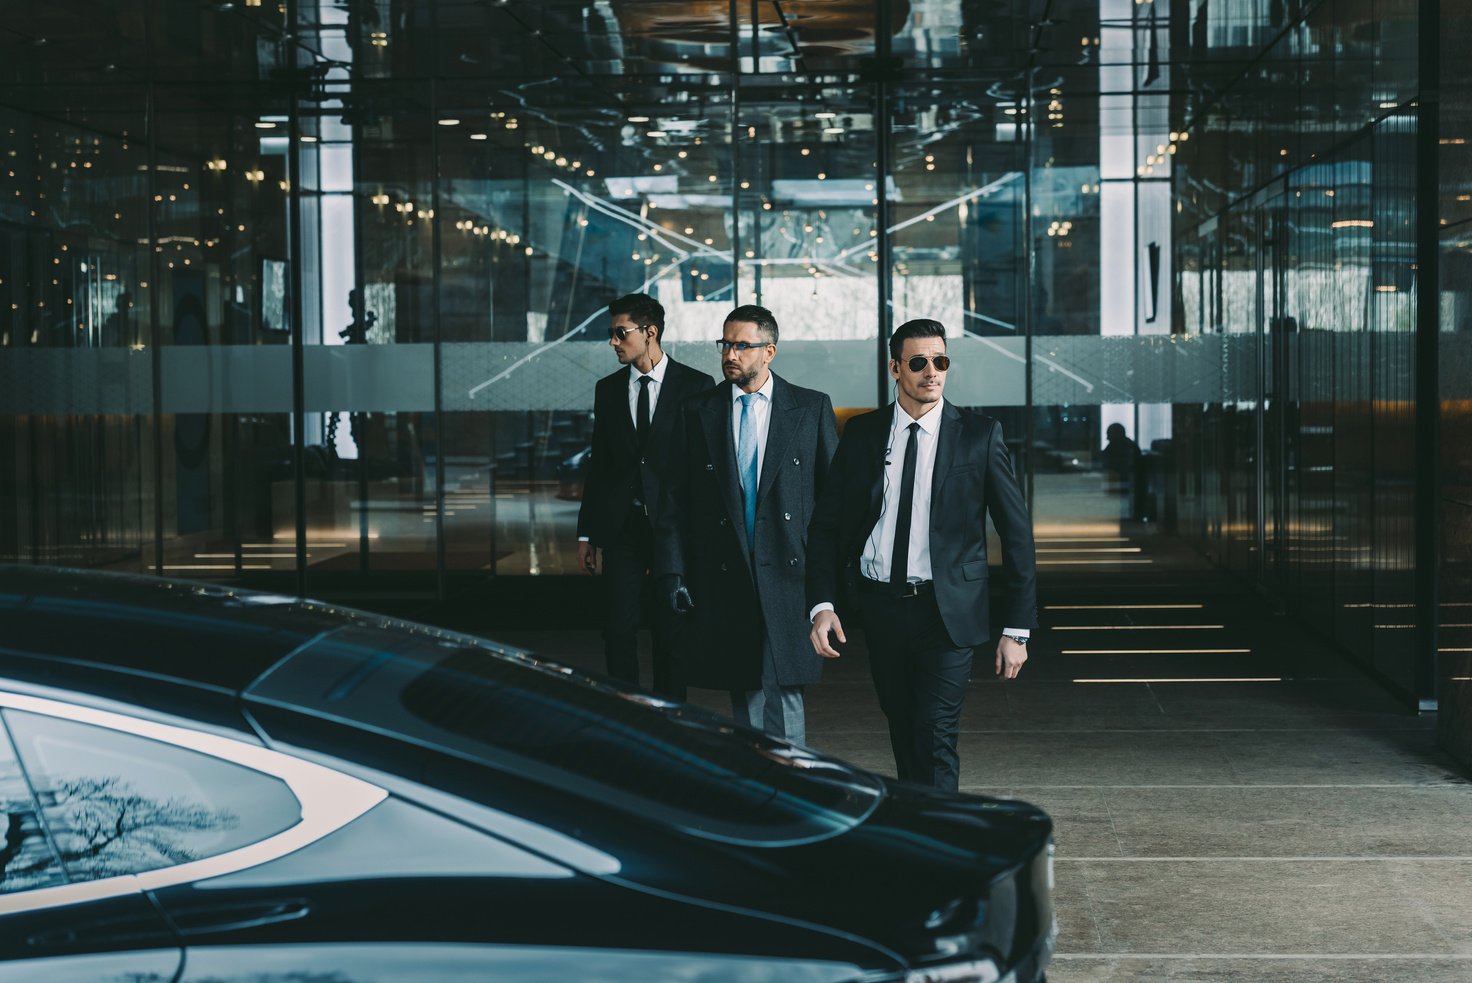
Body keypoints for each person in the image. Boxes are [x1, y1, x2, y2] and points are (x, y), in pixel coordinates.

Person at [806, 318, 1038, 790]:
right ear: (895, 368)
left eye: (940, 361)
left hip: (946, 610)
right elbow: (826, 526)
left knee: (935, 734)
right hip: (881, 607)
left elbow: (1016, 535)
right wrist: (823, 604)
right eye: (918, 362)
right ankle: (917, 820)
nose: (932, 372)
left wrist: (1017, 628)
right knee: (904, 727)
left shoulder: (979, 435)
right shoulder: (863, 434)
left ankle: (939, 831)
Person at [655, 305, 837, 745]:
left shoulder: (810, 407)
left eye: (741, 345)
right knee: (746, 687)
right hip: (725, 569)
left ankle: (792, 776)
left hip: (790, 572)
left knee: (786, 689)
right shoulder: (698, 410)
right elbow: (674, 500)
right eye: (725, 344)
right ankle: (759, 776)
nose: (729, 354)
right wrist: (673, 571)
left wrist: (829, 584)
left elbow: (834, 502)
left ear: (769, 351)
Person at [577, 293, 713, 699]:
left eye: (621, 333)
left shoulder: (696, 387)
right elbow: (600, 465)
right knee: (618, 627)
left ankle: (671, 713)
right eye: (612, 333)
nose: (613, 342)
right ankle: (627, 709)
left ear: (650, 332)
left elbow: (703, 467)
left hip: (675, 528)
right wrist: (587, 533)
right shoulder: (607, 390)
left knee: (671, 626)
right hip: (623, 528)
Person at [1099, 422, 1142, 520]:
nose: (1107, 438)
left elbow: (1105, 462)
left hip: (1121, 482)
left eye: (1109, 434)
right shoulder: (1130, 446)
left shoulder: (1115, 447)